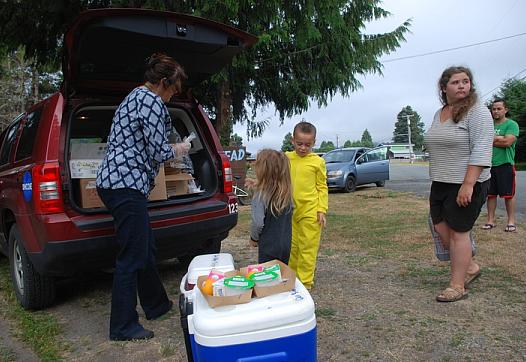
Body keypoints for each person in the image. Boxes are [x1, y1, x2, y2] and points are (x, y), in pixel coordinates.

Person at [96, 53, 190, 341]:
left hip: (121, 184)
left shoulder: (134, 97)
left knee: (144, 246)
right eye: (172, 90)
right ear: (163, 82)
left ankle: (156, 304)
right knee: (132, 255)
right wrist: (183, 148)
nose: (172, 97)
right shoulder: (149, 100)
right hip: (124, 185)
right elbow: (160, 152)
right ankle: (122, 326)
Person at [424, 66, 493, 302]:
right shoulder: (440, 112)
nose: (462, 85)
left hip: (467, 182)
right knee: (441, 229)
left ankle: (457, 285)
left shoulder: (478, 112)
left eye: (466, 81)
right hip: (441, 181)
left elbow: (482, 149)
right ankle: (470, 266)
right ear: (444, 88)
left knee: (458, 233)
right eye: (455, 82)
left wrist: (468, 184)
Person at [286, 121, 328, 289]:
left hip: (310, 211)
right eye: (299, 143)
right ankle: (291, 278)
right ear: (292, 140)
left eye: (307, 145)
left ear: (314, 143)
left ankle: (305, 283)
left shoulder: (317, 162)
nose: (303, 148)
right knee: (292, 247)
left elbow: (322, 187)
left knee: (307, 248)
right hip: (290, 211)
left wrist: (321, 210)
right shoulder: (286, 158)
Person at [249, 149, 293, 263]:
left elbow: (258, 223)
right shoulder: (286, 193)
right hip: (285, 246)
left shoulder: (260, 195)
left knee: (267, 278)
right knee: (281, 275)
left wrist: (254, 238)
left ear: (263, 170)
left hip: (268, 247)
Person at [482, 99, 520, 232]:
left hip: (506, 164)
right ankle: (490, 221)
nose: (496, 111)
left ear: (505, 109)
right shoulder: (488, 124)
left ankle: (511, 222)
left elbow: (507, 143)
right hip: (489, 165)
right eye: (494, 109)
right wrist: (499, 138)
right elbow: (480, 141)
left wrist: (491, 140)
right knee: (491, 195)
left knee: (508, 195)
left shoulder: (512, 124)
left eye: (499, 108)